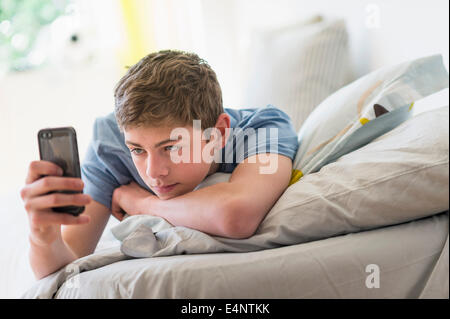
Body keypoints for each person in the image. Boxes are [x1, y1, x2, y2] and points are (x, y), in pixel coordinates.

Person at [20, 50, 299, 279]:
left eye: (171, 147)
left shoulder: (264, 129)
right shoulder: (110, 145)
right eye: (138, 150)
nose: (153, 173)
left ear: (219, 133)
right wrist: (42, 236)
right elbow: (64, 265)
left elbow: (236, 215)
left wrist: (141, 203)